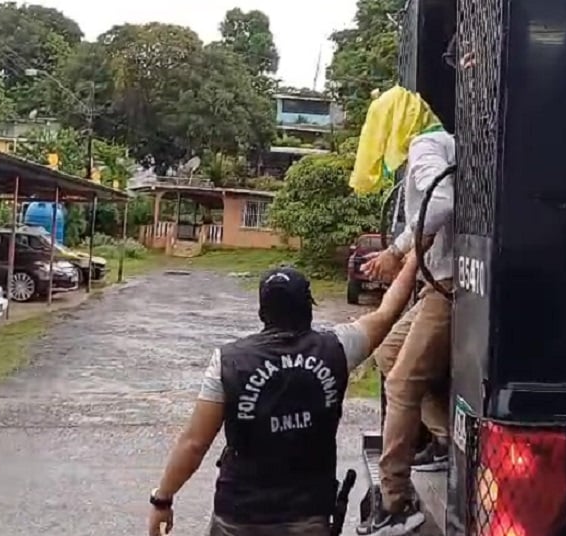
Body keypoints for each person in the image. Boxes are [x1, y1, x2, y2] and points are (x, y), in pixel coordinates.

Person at [147, 255, 420, 536]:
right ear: (307, 308)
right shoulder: (338, 348)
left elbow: (194, 443)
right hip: (307, 517)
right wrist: (415, 256)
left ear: (262, 312)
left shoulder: (228, 361)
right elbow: (387, 313)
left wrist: (162, 499)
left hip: (238, 517)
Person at [349, 85, 456, 535]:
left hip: (449, 286)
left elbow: (443, 204)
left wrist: (395, 251)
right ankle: (448, 440)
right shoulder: (445, 140)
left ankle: (395, 499)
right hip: (438, 282)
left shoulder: (424, 146)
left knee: (399, 383)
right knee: (388, 353)